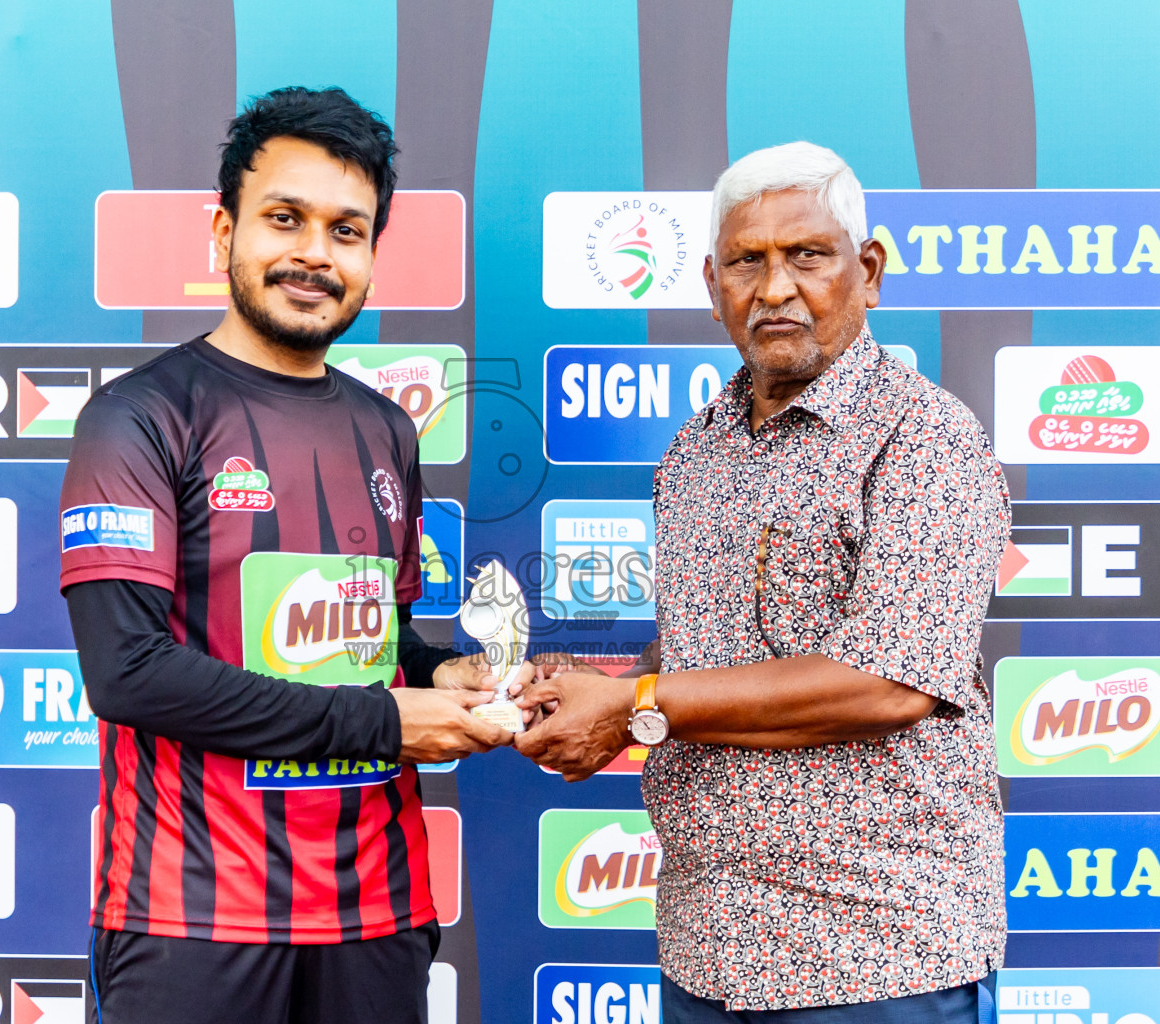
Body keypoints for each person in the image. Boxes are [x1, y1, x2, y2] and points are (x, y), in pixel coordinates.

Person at [515, 141, 1011, 1022]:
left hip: (876, 960)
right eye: (748, 261)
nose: (774, 288)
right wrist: (590, 694)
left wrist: (631, 705)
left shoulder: (927, 439)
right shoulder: (695, 449)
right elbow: (705, 654)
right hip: (708, 954)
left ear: (868, 271)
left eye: (807, 256)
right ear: (712, 287)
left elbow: (886, 684)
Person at [59, 86, 517, 1024]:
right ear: (222, 231)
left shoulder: (387, 428)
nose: (315, 252)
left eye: (347, 231)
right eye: (284, 219)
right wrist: (392, 722)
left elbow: (379, 643)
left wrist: (456, 673)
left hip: (377, 916)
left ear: (371, 259)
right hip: (192, 921)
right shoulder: (138, 418)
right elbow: (129, 673)